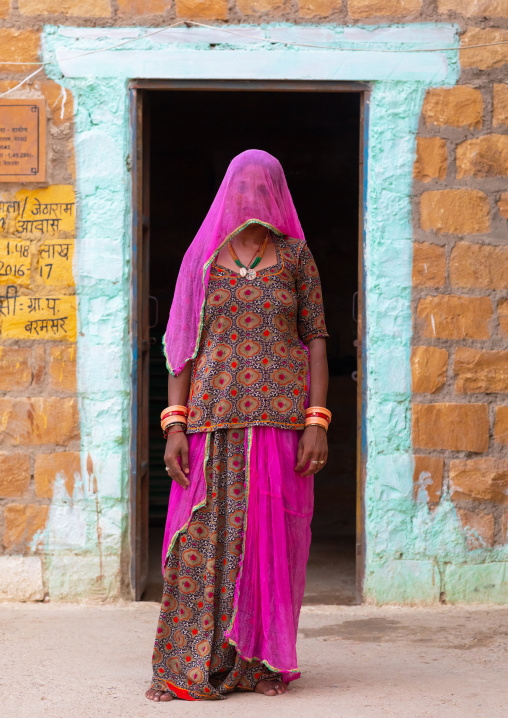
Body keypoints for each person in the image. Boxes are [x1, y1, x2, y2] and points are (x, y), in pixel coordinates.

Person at [146, 149, 330, 702]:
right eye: (242, 187)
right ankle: (185, 666)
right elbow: (182, 347)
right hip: (211, 424)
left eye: (263, 187)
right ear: (228, 193)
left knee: (272, 544)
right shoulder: (202, 261)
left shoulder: (298, 260)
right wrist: (174, 424)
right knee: (198, 540)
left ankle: (260, 663)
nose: (253, 198)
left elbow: (317, 338)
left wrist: (316, 420)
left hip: (279, 423)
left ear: (278, 194)